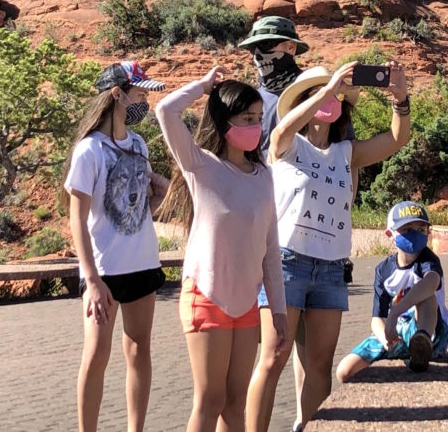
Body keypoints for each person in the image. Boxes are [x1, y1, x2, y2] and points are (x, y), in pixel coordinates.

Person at [247, 61, 411, 432]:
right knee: (273, 356)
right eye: (321, 94)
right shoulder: (286, 145)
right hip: (285, 263)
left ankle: (309, 425)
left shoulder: (346, 152)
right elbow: (281, 129)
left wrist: (400, 99)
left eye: (337, 95)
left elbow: (397, 139)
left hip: (331, 269)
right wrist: (327, 87)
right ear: (304, 101)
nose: (332, 99)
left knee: (319, 365)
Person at [154, 67, 289, 432]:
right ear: (224, 120)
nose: (256, 126)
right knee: (210, 400)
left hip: (246, 304)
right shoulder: (201, 165)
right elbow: (165, 111)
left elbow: (270, 250)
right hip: (206, 296)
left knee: (235, 402)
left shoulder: (265, 177)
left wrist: (278, 311)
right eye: (247, 118)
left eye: (259, 118)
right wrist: (203, 87)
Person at [62, 61, 170, 432]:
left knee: (139, 349)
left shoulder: (138, 144)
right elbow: (77, 217)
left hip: (142, 261)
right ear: (117, 94)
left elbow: (140, 208)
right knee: (96, 354)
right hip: (105, 271)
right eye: (139, 93)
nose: (144, 100)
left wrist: (159, 192)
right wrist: (90, 279)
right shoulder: (89, 151)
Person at [336, 201, 448, 383]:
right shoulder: (383, 270)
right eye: (407, 229)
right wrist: (385, 339)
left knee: (425, 295)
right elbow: (377, 318)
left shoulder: (428, 260)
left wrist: (395, 312)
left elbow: (431, 283)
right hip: (397, 331)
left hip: (432, 332)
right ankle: (410, 353)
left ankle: (421, 343)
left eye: (421, 229)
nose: (415, 234)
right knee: (344, 371)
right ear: (390, 234)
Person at [236, 15, 312, 154]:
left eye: (266, 44)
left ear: (291, 48)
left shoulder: (314, 92)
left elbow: (346, 153)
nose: (258, 54)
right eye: (253, 48)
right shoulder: (251, 99)